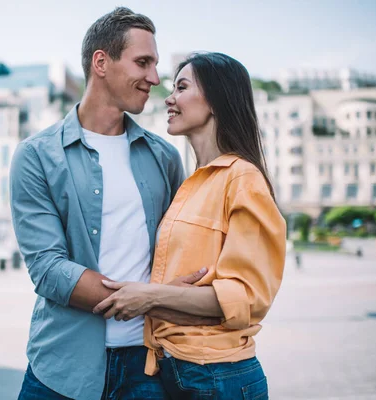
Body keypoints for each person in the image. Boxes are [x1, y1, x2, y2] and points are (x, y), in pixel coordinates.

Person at [10, 8, 217, 400]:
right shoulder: (36, 155)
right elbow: (49, 270)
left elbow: (180, 250)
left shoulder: (164, 157)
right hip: (61, 367)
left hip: (149, 365)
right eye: (143, 63)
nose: (155, 79)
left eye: (156, 65)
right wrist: (151, 297)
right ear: (101, 62)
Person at [94, 52, 287, 399]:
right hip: (177, 370)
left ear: (214, 100)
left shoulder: (242, 178)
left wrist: (151, 296)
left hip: (219, 375)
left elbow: (244, 299)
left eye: (181, 87)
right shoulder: (192, 182)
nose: (168, 98)